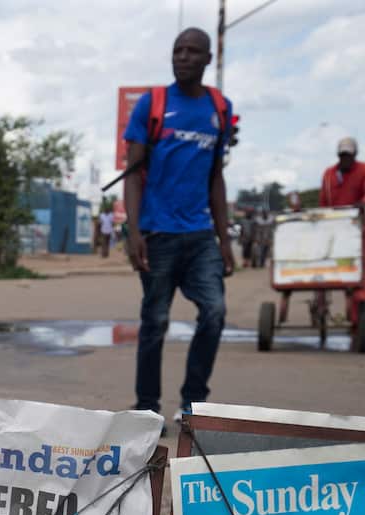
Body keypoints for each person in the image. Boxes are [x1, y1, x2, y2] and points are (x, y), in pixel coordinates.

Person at [123, 27, 235, 426]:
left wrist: (225, 239)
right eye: (177, 50)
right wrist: (134, 232)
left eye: (192, 51)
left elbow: (216, 178)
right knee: (155, 321)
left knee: (215, 312)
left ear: (208, 59)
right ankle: (147, 409)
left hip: (201, 234)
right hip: (157, 233)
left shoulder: (219, 108)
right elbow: (132, 176)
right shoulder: (152, 104)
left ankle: (193, 403)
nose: (183, 57)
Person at [319, 137, 365, 327]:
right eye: (342, 155)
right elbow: (323, 203)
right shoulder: (329, 174)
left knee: (357, 274)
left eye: (348, 155)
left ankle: (356, 318)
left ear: (355, 155)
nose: (345, 159)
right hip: (334, 231)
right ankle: (322, 305)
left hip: (359, 232)